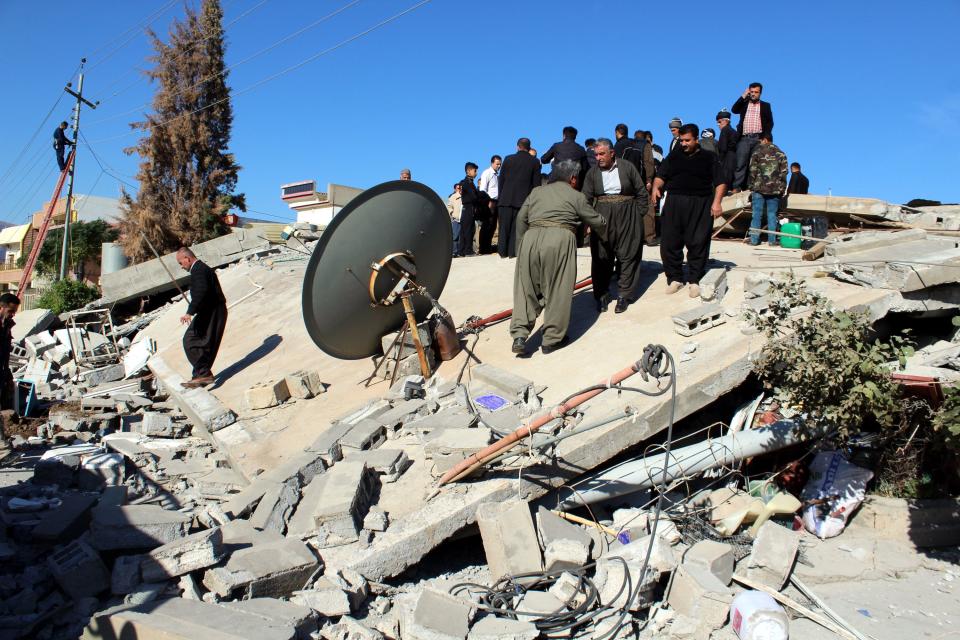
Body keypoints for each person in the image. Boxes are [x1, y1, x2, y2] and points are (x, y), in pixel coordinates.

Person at [510, 160, 607, 355]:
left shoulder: (537, 192)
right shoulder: (576, 196)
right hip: (559, 239)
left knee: (525, 288)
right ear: (572, 178)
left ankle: (520, 335)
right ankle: (551, 339)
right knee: (558, 289)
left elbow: (521, 218)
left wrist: (522, 246)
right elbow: (597, 221)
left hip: (531, 237)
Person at [651, 124, 726, 298]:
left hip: (700, 203)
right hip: (675, 201)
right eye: (681, 140)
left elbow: (721, 182)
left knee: (698, 242)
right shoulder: (674, 156)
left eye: (687, 140)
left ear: (696, 139)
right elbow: (661, 176)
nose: (683, 144)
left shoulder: (709, 157)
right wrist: (656, 187)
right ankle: (675, 278)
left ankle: (694, 279)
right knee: (669, 242)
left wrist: (717, 203)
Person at [582, 138, 649, 313]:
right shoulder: (592, 173)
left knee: (628, 254)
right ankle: (602, 295)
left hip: (628, 213)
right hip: (602, 216)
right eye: (596, 154)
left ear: (612, 153)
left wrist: (638, 214)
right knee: (601, 256)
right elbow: (585, 200)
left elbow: (641, 192)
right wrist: (590, 220)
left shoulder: (627, 167)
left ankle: (624, 295)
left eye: (602, 154)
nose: (598, 158)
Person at [177, 248, 227, 387]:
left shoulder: (198, 270)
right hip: (211, 310)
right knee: (204, 343)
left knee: (190, 340)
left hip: (212, 310)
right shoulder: (200, 269)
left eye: (181, 263)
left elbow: (201, 291)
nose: (181, 266)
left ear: (187, 258)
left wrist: (190, 312)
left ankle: (203, 374)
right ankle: (200, 375)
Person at [497, 138, 542, 258]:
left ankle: (502, 252)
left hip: (505, 199)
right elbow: (536, 185)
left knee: (503, 228)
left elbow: (501, 180)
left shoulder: (508, 159)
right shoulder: (534, 162)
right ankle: (512, 253)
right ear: (529, 147)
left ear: (517, 146)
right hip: (523, 201)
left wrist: (500, 198)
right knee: (516, 230)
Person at [731, 82, 774, 191]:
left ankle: (751, 188)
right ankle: (736, 187)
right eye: (752, 92)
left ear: (760, 93)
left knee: (755, 164)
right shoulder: (744, 103)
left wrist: (766, 137)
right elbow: (734, 110)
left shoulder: (765, 105)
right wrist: (743, 95)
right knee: (741, 163)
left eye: (756, 92)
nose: (754, 94)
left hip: (758, 139)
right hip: (744, 137)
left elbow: (770, 122)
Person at [747, 133, 788, 246]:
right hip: (775, 190)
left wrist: (751, 186)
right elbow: (784, 173)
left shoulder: (757, 153)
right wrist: (782, 188)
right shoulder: (781, 154)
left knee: (756, 214)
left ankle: (754, 240)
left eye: (761, 141)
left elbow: (752, 170)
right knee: (772, 214)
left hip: (759, 188)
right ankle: (772, 240)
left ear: (765, 140)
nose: (760, 143)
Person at [478, 155, 502, 254]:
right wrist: (487, 202)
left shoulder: (497, 175)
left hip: (496, 202)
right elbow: (483, 189)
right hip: (490, 201)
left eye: (500, 164)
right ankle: (483, 248)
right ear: (492, 163)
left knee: (493, 226)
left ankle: (487, 247)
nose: (499, 166)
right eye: (497, 164)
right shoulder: (487, 173)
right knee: (487, 225)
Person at [0, 293, 20, 410]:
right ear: (1, 307)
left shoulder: (7, 326)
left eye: (14, 312)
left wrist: (8, 375)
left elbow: (5, 353)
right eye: (11, 311)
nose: (12, 315)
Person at [458, 162, 481, 257]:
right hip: (468, 208)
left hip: (468, 208)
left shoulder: (469, 182)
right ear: (468, 171)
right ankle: (468, 251)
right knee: (468, 230)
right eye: (474, 171)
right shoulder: (467, 182)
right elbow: (473, 197)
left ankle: (462, 251)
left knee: (465, 230)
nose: (476, 173)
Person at [716, 110, 739, 190]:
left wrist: (720, 160)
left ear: (726, 121)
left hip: (727, 157)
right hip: (734, 156)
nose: (718, 125)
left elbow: (723, 147)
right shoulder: (734, 131)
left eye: (719, 122)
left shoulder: (725, 130)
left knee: (725, 177)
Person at [447, 183, 463, 257]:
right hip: (456, 219)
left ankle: (460, 252)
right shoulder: (452, 197)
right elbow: (449, 206)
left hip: (463, 220)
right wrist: (452, 213)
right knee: (455, 236)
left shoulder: (465, 196)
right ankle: (454, 252)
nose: (459, 189)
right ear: (455, 189)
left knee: (461, 237)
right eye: (458, 188)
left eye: (460, 188)